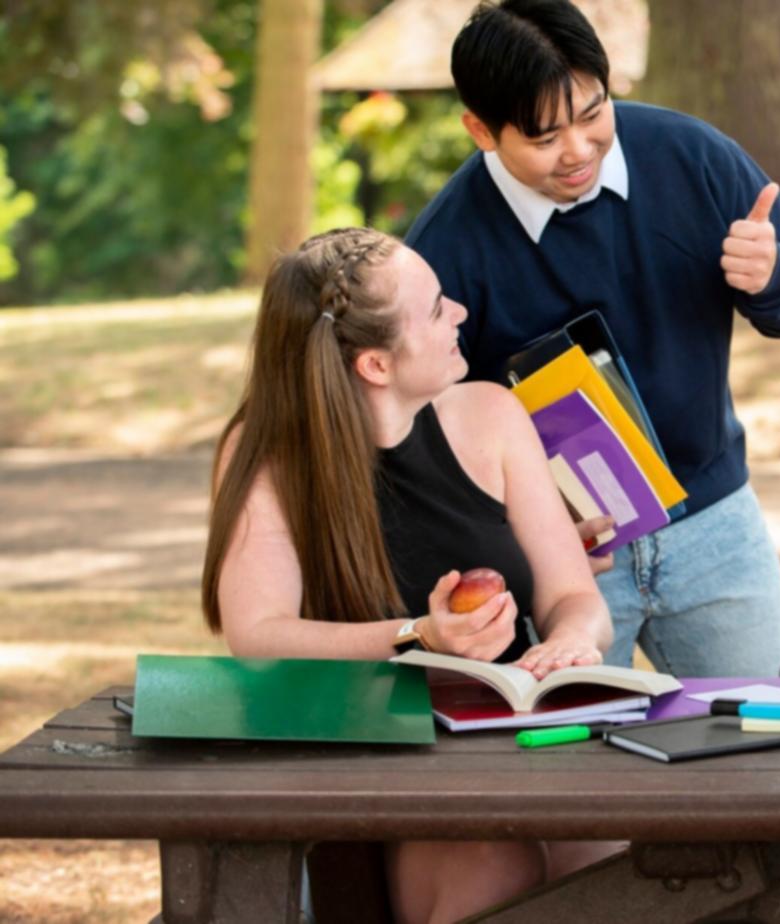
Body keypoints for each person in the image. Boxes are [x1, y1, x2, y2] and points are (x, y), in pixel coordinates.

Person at [200, 228, 620, 924]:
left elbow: (573, 593)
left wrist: (570, 640)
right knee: (492, 864)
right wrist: (418, 635)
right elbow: (258, 635)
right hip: (378, 769)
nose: (459, 312)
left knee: (619, 859)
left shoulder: (490, 413)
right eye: (434, 309)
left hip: (520, 748)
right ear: (374, 364)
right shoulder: (265, 449)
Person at [406, 0, 780, 676]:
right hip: (560, 558)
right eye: (544, 137)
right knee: (560, 767)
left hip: (716, 526)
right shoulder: (441, 252)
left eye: (592, 114)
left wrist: (775, 273)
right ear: (481, 131)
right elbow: (425, 438)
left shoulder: (689, 155)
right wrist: (523, 534)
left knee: (767, 741)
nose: (577, 150)